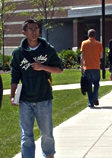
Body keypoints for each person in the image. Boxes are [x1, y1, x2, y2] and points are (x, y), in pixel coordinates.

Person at [9, 19, 63, 158]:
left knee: (47, 133)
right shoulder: (18, 53)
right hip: (25, 100)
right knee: (26, 135)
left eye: (36, 29)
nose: (34, 32)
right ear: (24, 32)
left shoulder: (47, 49)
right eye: (31, 29)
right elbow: (14, 76)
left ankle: (49, 155)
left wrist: (42, 67)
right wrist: (12, 95)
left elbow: (59, 69)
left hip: (43, 98)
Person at [80, 29, 103, 108]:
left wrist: (81, 66)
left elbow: (82, 55)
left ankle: (90, 102)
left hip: (87, 67)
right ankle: (95, 97)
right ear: (95, 35)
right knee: (96, 83)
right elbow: (101, 56)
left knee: (89, 85)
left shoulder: (84, 43)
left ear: (88, 35)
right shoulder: (99, 44)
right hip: (96, 67)